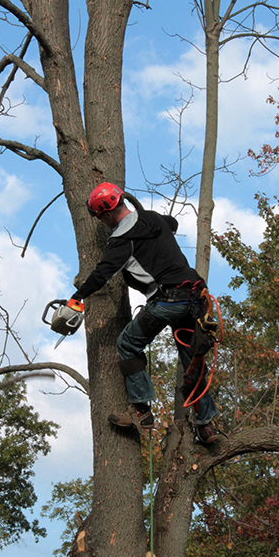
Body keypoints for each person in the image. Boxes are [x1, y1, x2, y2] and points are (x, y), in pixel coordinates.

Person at [71, 182, 219, 444]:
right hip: (197, 298)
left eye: (100, 218)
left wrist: (77, 298)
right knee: (191, 360)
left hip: (167, 301)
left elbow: (102, 274)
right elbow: (171, 223)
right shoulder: (152, 219)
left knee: (127, 344)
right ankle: (206, 427)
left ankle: (141, 412)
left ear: (105, 214)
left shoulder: (121, 240)